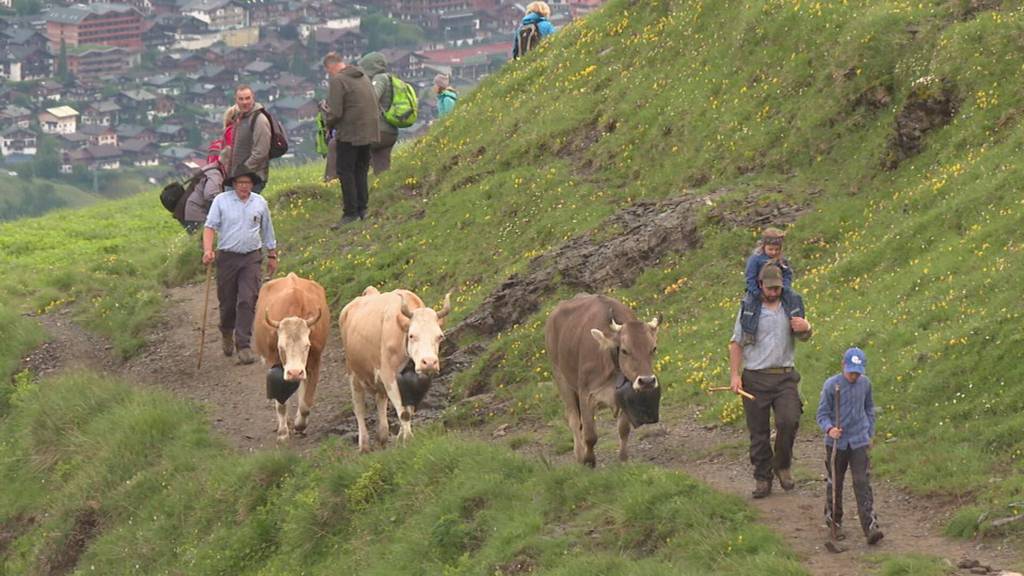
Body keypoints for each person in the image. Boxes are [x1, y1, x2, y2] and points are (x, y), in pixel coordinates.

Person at [728, 262, 812, 498]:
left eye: (777, 288)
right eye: (770, 288)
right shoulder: (748, 308)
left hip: (785, 376)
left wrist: (807, 326)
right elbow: (736, 343)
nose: (774, 292)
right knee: (759, 432)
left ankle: (782, 465)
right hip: (755, 377)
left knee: (789, 420)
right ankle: (762, 478)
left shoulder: (792, 304)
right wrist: (735, 375)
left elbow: (804, 335)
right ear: (760, 285)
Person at [202, 171, 278, 365]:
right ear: (233, 184)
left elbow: (267, 229)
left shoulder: (259, 202)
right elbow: (210, 226)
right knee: (227, 302)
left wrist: (272, 254)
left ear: (252, 184)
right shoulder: (221, 201)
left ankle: (243, 345)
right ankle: (227, 331)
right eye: (240, 182)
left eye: (248, 182)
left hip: (251, 257)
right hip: (227, 257)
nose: (244, 186)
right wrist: (208, 250)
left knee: (247, 299)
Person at [816, 347, 884, 545]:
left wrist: (869, 432)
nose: (854, 375)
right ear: (843, 366)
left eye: (858, 371)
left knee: (862, 481)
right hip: (836, 443)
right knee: (835, 482)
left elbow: (869, 408)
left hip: (859, 441)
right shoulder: (831, 385)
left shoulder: (865, 384)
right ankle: (834, 521)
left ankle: (870, 526)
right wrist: (829, 429)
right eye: (851, 371)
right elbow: (821, 414)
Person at [323, 52, 379, 228]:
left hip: (350, 132)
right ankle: (363, 208)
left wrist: (328, 123)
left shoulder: (338, 80)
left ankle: (350, 213)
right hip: (369, 130)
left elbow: (336, 112)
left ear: (330, 67)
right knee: (360, 170)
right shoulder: (362, 76)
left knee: (345, 171)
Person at [740, 227, 795, 343]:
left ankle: (796, 324)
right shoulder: (755, 259)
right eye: (770, 249)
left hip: (778, 287)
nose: (774, 252)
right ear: (763, 246)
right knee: (750, 304)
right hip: (758, 289)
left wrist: (785, 287)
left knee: (793, 299)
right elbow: (750, 277)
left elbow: (787, 274)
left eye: (777, 250)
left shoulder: (781, 260)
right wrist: (756, 292)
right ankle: (749, 332)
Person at [357, 51, 399, 175]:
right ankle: (383, 189)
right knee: (382, 168)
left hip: (378, 131)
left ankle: (334, 181)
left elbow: (372, 99)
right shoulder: (391, 79)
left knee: (344, 146)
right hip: (391, 132)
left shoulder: (379, 78)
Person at [226, 85, 271, 193]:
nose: (244, 102)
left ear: (253, 98)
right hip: (237, 177)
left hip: (252, 179)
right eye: (241, 99)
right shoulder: (240, 118)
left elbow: (261, 152)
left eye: (247, 98)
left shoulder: (259, 120)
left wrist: (242, 171)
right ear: (236, 100)